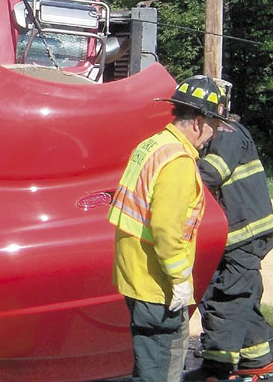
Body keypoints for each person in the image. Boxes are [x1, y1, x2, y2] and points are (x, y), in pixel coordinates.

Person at [107, 75, 228, 381]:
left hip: (135, 274)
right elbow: (166, 229)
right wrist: (180, 280)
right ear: (199, 122)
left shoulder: (153, 144)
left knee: (148, 363)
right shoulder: (178, 161)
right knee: (161, 369)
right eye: (213, 125)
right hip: (156, 285)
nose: (212, 134)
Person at [194, 113, 273, 378]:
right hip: (239, 232)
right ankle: (256, 358)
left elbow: (211, 173)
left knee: (227, 297)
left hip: (246, 233)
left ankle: (216, 368)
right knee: (243, 295)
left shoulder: (227, 133)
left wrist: (175, 165)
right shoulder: (219, 133)